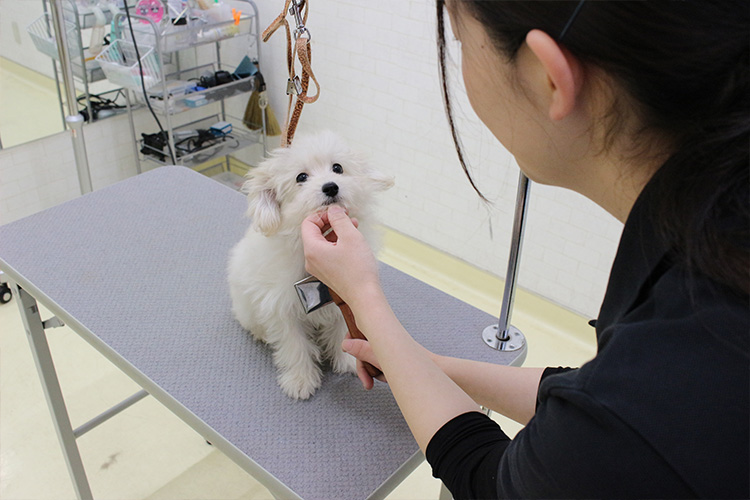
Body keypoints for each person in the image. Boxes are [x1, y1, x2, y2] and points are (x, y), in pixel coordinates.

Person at [301, 0, 749, 498]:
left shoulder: (690, 354)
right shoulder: (713, 240)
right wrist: (422, 363)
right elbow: (591, 396)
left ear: (546, 76)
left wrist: (364, 295)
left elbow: (495, 482)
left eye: (462, 41)